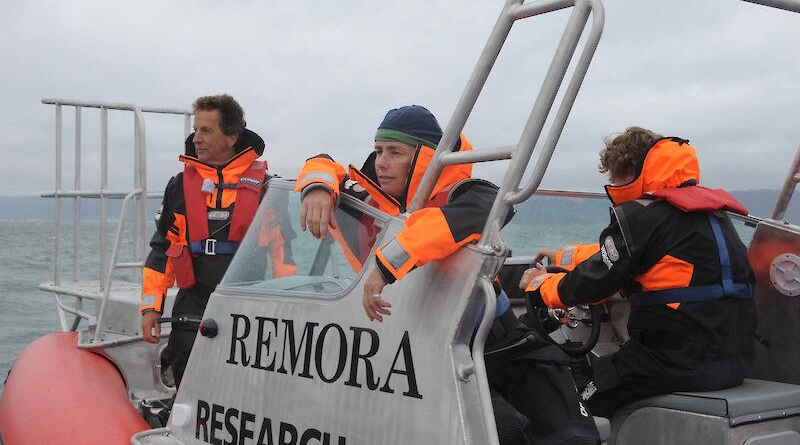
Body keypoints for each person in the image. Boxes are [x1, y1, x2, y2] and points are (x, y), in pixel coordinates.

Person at [296, 105, 600, 444]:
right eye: (378, 150)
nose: (381, 162)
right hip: (421, 352)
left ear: (426, 159)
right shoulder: (369, 203)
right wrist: (317, 187)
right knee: (504, 431)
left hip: (498, 341)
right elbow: (320, 161)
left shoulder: (465, 194)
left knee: (573, 433)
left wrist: (387, 264)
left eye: (395, 152)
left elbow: (495, 206)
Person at [520, 127, 757, 418]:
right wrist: (562, 257)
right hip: (733, 362)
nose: (611, 186)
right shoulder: (712, 215)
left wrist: (540, 285)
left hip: (672, 362)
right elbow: (631, 260)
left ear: (630, 169)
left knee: (571, 402)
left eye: (613, 178)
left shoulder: (642, 215)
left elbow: (592, 284)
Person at [139, 94, 296, 388]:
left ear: (232, 136)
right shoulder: (179, 186)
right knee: (185, 378)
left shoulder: (266, 188)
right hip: (191, 302)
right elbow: (161, 252)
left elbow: (283, 259)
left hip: (248, 306)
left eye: (206, 130)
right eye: (196, 129)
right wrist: (151, 309)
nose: (196, 137)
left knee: (244, 386)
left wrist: (286, 316)